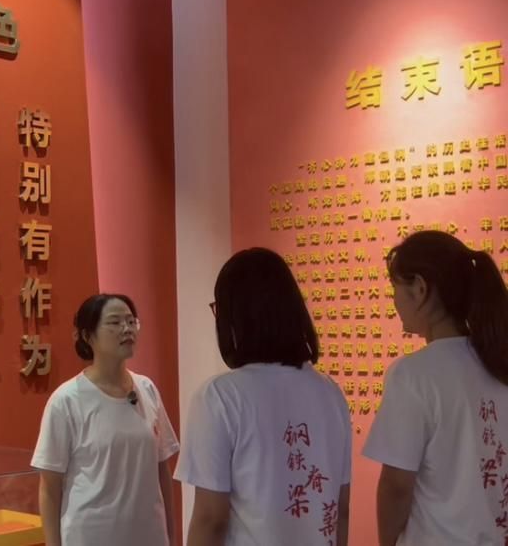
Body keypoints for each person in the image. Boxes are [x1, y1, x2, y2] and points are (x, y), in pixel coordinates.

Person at [175, 247, 351, 545]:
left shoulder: (219, 397)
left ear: (234, 317)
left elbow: (211, 518)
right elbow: (341, 509)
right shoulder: (330, 392)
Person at [364, 230, 508, 545]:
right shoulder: (498, 363)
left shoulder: (413, 374)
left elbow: (396, 486)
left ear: (419, 288)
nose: (394, 301)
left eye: (395, 289)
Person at [32, 293, 179, 546]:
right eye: (114, 322)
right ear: (88, 336)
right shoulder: (67, 400)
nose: (127, 329)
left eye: (131, 321)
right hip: (91, 536)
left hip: (149, 536)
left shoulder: (147, 389)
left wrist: (171, 535)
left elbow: (161, 470)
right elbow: (49, 488)